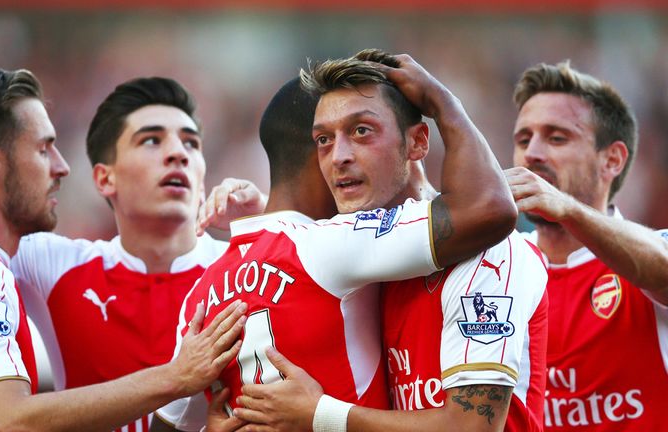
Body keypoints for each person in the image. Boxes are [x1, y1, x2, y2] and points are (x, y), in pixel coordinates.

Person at [159, 51, 518, 431]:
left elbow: (165, 421)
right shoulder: (336, 244)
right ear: (314, 156)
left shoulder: (199, 295)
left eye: (360, 132)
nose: (341, 156)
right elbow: (488, 209)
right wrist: (443, 102)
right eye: (325, 140)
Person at [0, 76, 266, 431]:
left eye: (191, 144)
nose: (177, 154)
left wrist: (269, 216)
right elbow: (10, 418)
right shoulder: (30, 262)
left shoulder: (248, 269)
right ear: (105, 179)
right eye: (152, 141)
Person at [504, 61, 668, 431]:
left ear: (612, 160)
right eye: (523, 139)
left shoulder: (649, 254)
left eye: (557, 137)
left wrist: (567, 209)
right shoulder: (501, 267)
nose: (532, 154)